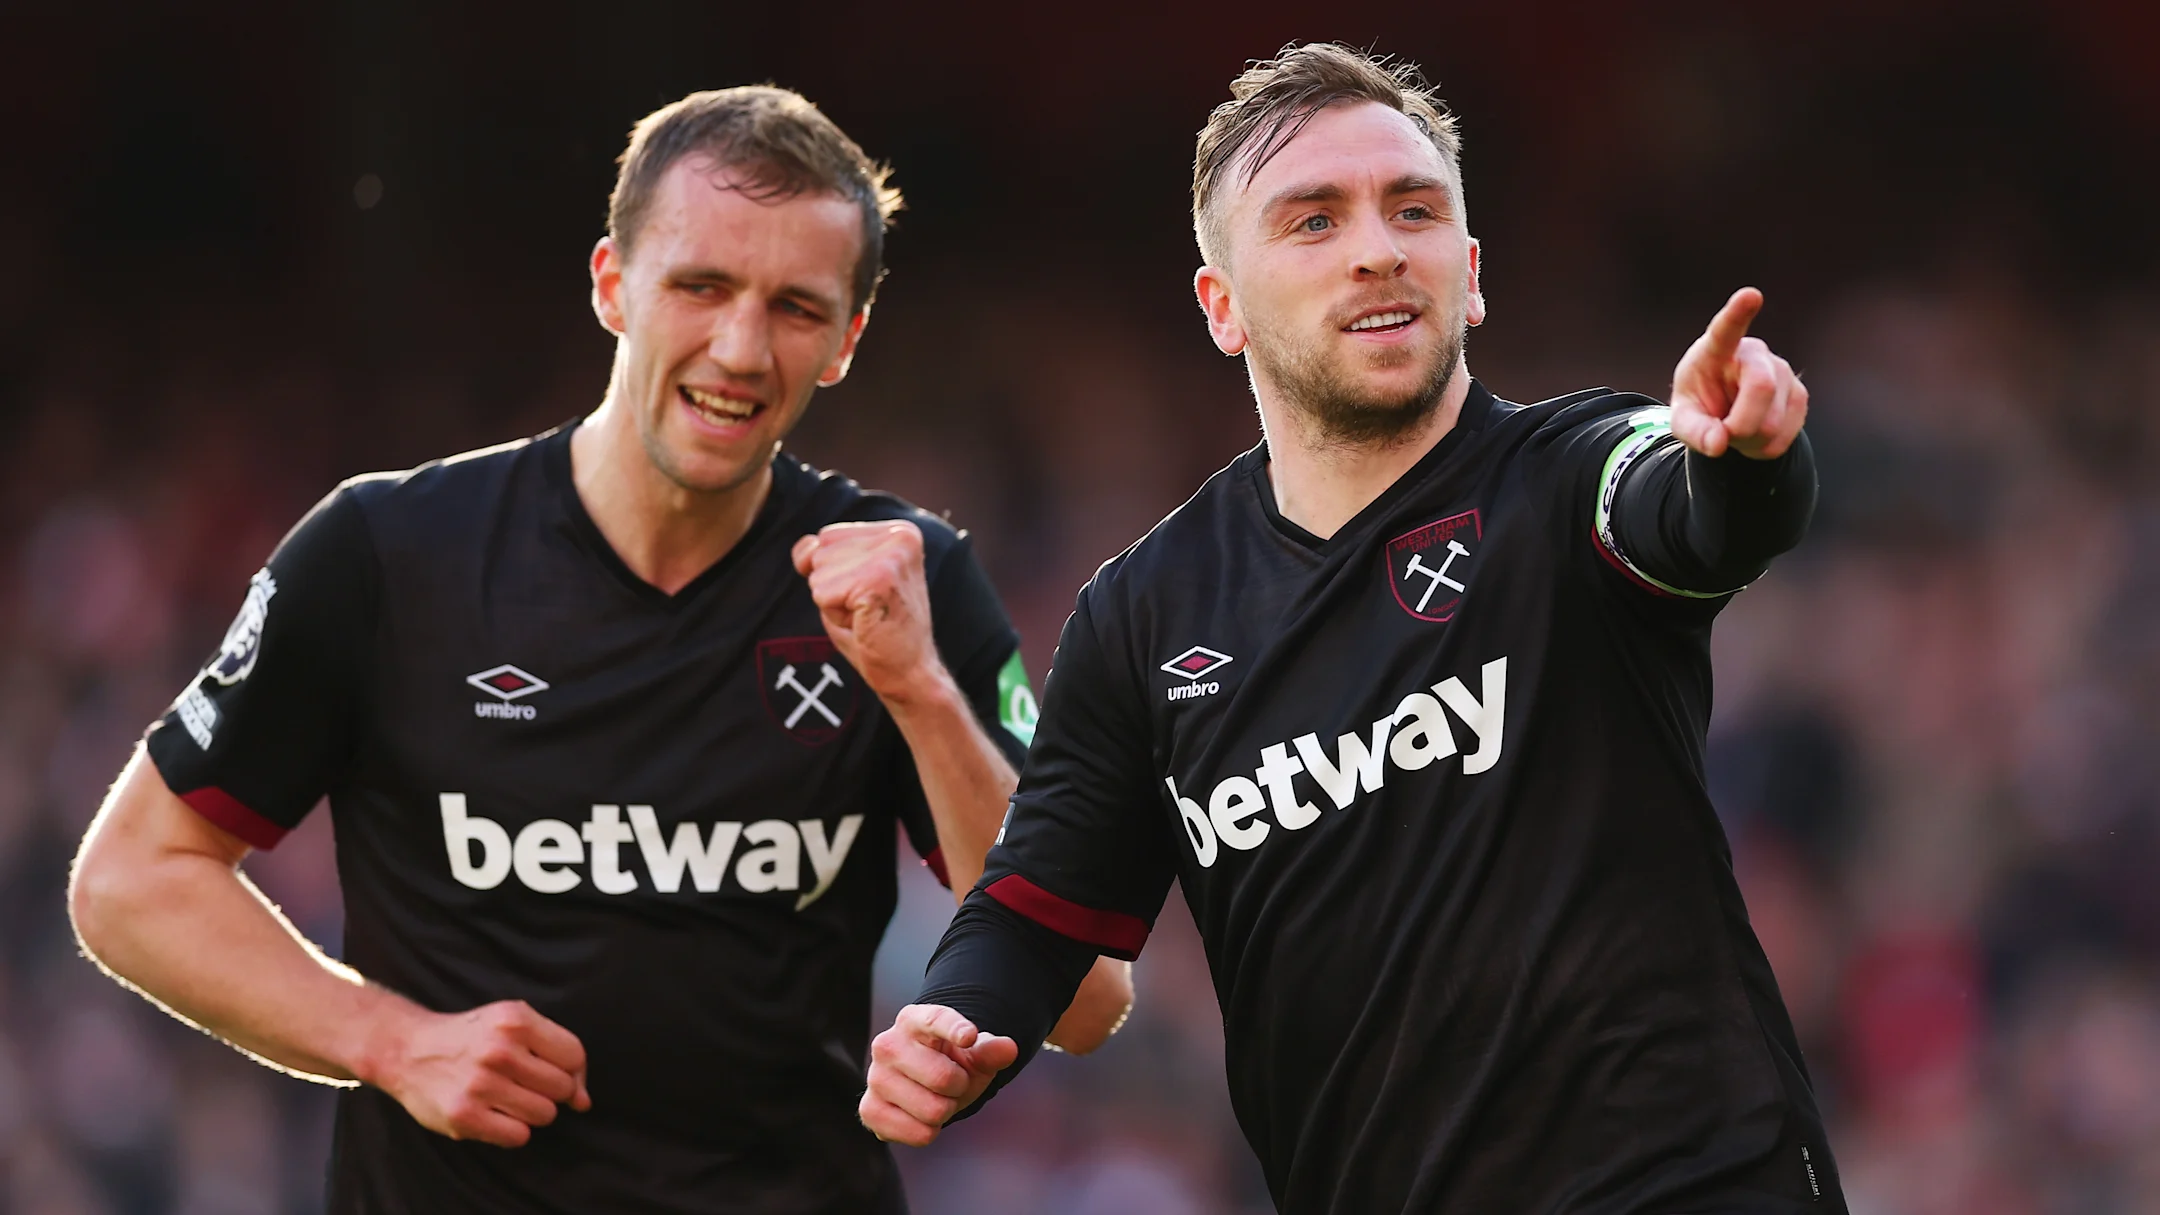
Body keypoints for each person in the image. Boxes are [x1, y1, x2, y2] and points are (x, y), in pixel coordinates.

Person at [67, 85, 1131, 1214]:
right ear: (612, 283)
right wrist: (389, 1040)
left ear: (846, 341)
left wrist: (918, 692)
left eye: (795, 307)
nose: (740, 348)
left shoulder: (906, 582)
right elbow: (132, 880)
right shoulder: (386, 553)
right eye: (701, 286)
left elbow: (1085, 999)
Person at [862, 43, 1848, 1215]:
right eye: (1314, 220)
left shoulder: (1569, 474)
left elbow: (1695, 509)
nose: (1378, 248)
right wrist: (953, 1015)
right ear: (1223, 307)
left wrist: (1746, 454)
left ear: (1469, 274)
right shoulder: (1144, 614)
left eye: (1413, 210)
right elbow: (1038, 912)